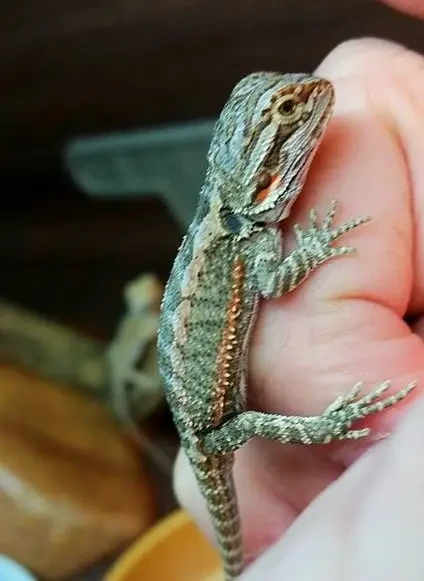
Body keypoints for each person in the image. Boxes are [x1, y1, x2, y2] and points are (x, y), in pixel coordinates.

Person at [174, 0, 424, 577]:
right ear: (263, 171)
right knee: (249, 453)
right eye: (288, 112)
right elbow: (273, 280)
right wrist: (322, 429)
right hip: (217, 418)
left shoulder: (240, 227)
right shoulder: (239, 239)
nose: (310, 98)